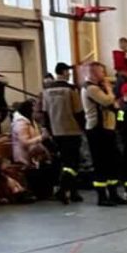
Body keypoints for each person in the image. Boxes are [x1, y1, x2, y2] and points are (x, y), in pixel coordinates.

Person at [82, 61, 124, 207]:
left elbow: (115, 106)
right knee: (101, 164)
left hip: (108, 129)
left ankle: (113, 193)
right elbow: (107, 101)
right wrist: (109, 89)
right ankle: (102, 196)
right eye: (101, 72)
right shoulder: (90, 88)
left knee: (112, 163)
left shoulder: (99, 88)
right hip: (97, 130)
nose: (104, 75)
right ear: (94, 73)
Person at [43, 62, 85, 204]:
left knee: (65, 161)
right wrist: (83, 127)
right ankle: (64, 188)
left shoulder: (47, 90)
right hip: (71, 129)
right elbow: (78, 111)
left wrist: (49, 129)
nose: (69, 74)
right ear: (64, 72)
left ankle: (73, 192)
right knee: (73, 163)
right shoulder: (70, 89)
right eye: (68, 71)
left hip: (56, 131)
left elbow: (45, 113)